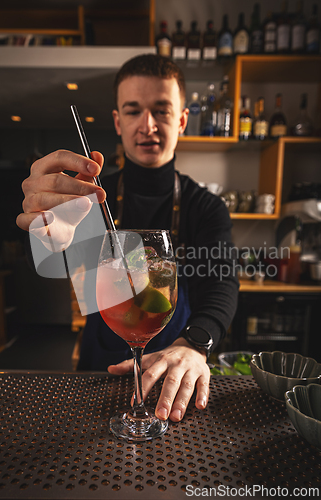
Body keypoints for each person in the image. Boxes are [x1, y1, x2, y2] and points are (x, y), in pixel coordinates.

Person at [16, 54, 239, 423]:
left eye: (162, 111)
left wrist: (195, 343)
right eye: (134, 111)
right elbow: (53, 264)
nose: (147, 125)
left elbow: (223, 283)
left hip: (172, 370)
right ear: (118, 122)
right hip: (97, 372)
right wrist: (46, 234)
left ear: (182, 120)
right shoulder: (88, 196)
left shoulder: (206, 206)